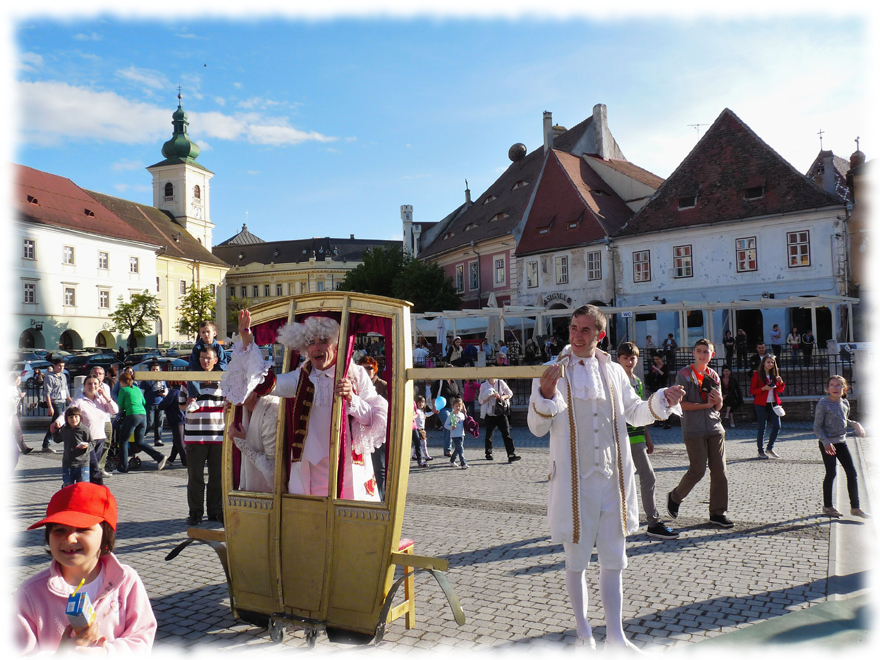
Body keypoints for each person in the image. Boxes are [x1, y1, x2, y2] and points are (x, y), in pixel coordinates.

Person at [528, 305, 684, 650]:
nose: (577, 336)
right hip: (574, 482)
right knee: (577, 559)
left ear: (600, 336)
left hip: (612, 479)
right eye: (573, 328)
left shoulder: (614, 371)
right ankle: (584, 633)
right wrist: (546, 394)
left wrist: (661, 400)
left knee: (614, 559)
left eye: (585, 330)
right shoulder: (555, 371)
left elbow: (635, 412)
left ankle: (616, 635)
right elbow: (536, 427)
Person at [228, 309, 387, 501]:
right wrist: (248, 341)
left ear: (336, 345)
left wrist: (352, 399)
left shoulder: (356, 375)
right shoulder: (300, 377)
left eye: (323, 341)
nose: (317, 348)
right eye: (311, 343)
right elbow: (266, 385)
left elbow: (374, 418)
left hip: (347, 468)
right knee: (309, 522)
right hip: (308, 470)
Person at [16, 483, 157, 653]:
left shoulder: (125, 581)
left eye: (82, 529)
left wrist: (106, 653)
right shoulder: (31, 594)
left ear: (105, 535)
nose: (70, 539)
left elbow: (142, 638)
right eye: (59, 530)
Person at [667, 338, 734, 528]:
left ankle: (718, 513)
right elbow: (680, 404)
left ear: (712, 355)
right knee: (697, 470)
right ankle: (675, 496)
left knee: (720, 471)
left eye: (706, 351)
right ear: (693, 353)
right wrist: (706, 404)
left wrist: (719, 399)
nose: (702, 354)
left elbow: (718, 406)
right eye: (699, 351)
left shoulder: (714, 375)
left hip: (714, 427)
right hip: (693, 428)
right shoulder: (684, 374)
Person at [616, 342, 678, 539]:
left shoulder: (637, 382)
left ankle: (651, 521)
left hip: (636, 437)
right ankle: (650, 521)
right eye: (625, 358)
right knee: (634, 479)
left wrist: (648, 438)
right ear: (618, 359)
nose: (629, 361)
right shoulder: (615, 381)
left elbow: (640, 411)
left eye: (633, 358)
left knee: (646, 477)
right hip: (620, 436)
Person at [814, 376, 870, 519]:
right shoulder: (823, 404)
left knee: (852, 473)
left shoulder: (845, 403)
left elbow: (843, 419)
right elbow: (817, 427)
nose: (835, 388)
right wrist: (826, 442)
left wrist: (855, 424)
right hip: (828, 444)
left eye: (838, 385)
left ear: (844, 388)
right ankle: (827, 506)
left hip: (841, 442)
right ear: (827, 388)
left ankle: (855, 508)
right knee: (831, 473)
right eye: (832, 385)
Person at [181, 346, 225, 523]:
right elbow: (181, 406)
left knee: (217, 477)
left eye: (209, 358)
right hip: (194, 437)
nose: (205, 361)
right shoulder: (189, 381)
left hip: (217, 436)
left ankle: (215, 511)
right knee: (195, 478)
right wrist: (189, 403)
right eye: (202, 358)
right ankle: (195, 512)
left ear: (216, 360)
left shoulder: (224, 381)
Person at [66, 375, 118, 486]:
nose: (92, 386)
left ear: (100, 386)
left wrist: (105, 396)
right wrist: (58, 423)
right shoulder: (79, 400)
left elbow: (114, 410)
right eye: (89, 383)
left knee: (92, 467)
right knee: (94, 468)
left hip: (100, 438)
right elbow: (67, 413)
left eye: (95, 383)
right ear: (84, 386)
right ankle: (101, 489)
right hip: (87, 440)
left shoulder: (101, 400)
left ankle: (87, 490)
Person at [116, 372, 167, 473]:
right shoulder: (137, 389)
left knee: (123, 441)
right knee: (140, 442)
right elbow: (144, 402)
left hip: (132, 415)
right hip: (143, 416)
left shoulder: (123, 390)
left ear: (121, 381)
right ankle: (159, 457)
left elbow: (120, 406)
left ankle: (123, 467)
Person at [357, 355, 388, 499]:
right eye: (362, 368)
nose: (366, 370)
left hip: (376, 431)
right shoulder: (355, 384)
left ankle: (381, 496)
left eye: (369, 368)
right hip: (359, 431)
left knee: (378, 465)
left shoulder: (382, 385)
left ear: (374, 369)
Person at [750, 355, 785, 459]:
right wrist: (763, 389)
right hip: (761, 403)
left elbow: (779, 390)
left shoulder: (774, 374)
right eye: (768, 362)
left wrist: (781, 382)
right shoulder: (757, 374)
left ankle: (770, 448)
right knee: (762, 427)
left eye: (772, 362)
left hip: (773, 403)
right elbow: (752, 390)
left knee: (777, 425)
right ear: (764, 363)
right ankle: (760, 451)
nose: (770, 364)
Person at [478, 377, 520, 463]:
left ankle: (511, 454)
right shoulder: (484, 385)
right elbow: (480, 400)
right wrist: (490, 396)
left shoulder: (500, 382)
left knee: (506, 434)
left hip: (501, 412)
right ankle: (488, 453)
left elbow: (510, 393)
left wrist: (502, 397)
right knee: (489, 434)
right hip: (490, 413)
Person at [49, 407, 93, 487]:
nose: (74, 419)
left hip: (82, 464)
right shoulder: (65, 429)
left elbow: (92, 443)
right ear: (67, 419)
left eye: (76, 417)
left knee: (83, 487)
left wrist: (87, 446)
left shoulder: (84, 430)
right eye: (71, 417)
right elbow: (57, 439)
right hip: (68, 464)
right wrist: (53, 431)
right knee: (68, 487)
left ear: (80, 417)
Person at [41, 358, 71, 453]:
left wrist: (70, 400)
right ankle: (64, 442)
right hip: (55, 402)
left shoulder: (63, 376)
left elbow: (66, 390)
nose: (61, 368)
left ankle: (46, 444)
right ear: (54, 366)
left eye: (63, 366)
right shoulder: (49, 377)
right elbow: (47, 393)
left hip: (63, 401)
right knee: (61, 422)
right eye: (59, 366)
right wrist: (50, 406)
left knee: (54, 423)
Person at [140, 361, 167, 447]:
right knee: (149, 422)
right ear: (150, 370)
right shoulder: (146, 380)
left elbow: (166, 390)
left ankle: (158, 439)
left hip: (160, 403)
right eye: (153, 369)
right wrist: (142, 403)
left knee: (159, 423)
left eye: (157, 369)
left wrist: (164, 394)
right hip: (149, 403)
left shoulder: (162, 380)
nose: (155, 371)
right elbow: (141, 393)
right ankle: (142, 436)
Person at [11, 374, 33, 456]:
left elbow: (20, 401)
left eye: (19, 380)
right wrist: (18, 396)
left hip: (17, 411)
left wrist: (28, 405)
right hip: (9, 413)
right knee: (16, 430)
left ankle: (24, 448)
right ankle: (24, 448)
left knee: (17, 430)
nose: (18, 382)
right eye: (17, 380)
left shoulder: (18, 389)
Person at [444, 397, 468, 469]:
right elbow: (446, 425)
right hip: (454, 435)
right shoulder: (451, 416)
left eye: (459, 406)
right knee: (461, 449)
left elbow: (464, 424)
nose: (458, 407)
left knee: (458, 449)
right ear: (453, 406)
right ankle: (463, 463)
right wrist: (451, 427)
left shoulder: (462, 415)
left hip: (461, 434)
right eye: (456, 406)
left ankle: (452, 460)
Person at [413, 395, 434, 467]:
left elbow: (427, 415)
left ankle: (414, 454)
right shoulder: (417, 411)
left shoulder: (422, 411)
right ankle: (426, 456)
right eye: (419, 402)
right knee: (423, 442)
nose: (421, 404)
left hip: (422, 429)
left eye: (422, 402)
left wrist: (433, 412)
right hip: (418, 429)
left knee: (418, 443)